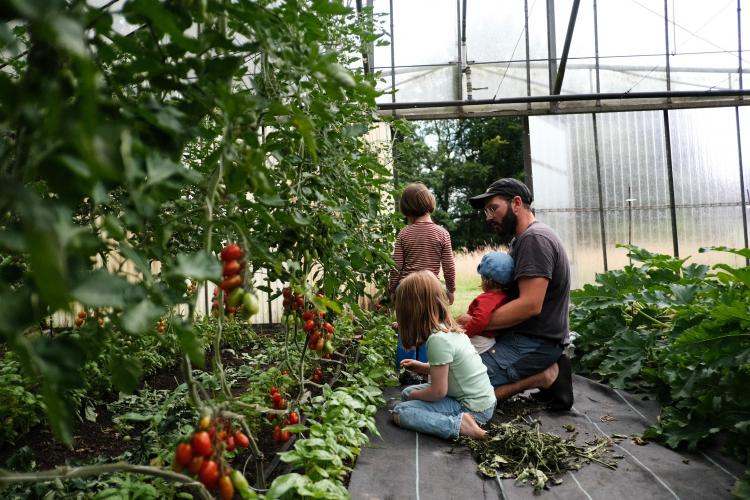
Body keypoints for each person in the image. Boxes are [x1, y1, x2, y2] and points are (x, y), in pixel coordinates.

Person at [468, 178, 573, 410]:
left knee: (466, 387)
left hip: (535, 342)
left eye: (493, 208)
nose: (488, 216)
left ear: (516, 203)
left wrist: (475, 323)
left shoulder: (535, 239)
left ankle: (546, 375)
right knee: (454, 372)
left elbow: (530, 305)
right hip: (522, 336)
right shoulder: (522, 239)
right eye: (486, 211)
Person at [391, 271, 496, 440]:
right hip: (482, 400)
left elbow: (438, 392)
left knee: (401, 410)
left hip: (473, 408)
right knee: (406, 393)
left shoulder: (437, 341)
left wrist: (414, 397)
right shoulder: (447, 330)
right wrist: (421, 367)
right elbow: (448, 370)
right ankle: (459, 420)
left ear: (411, 312)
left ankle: (460, 425)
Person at [389, 182, 456, 304]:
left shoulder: (403, 234)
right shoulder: (442, 233)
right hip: (431, 289)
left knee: (406, 321)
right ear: (430, 202)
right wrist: (450, 290)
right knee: (433, 320)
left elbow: (396, 266)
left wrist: (393, 289)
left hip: (406, 288)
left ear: (406, 207)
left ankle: (402, 324)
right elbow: (449, 266)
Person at [456, 251, 514, 355]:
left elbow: (480, 321)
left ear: (486, 280)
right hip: (489, 340)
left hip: (478, 340)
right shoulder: (504, 297)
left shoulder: (488, 299)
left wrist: (462, 333)